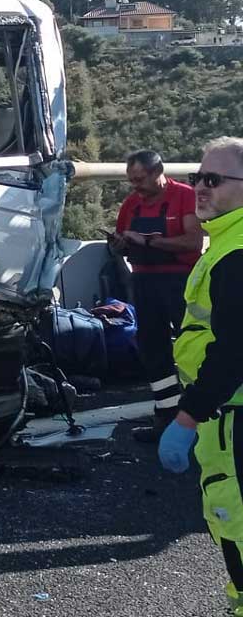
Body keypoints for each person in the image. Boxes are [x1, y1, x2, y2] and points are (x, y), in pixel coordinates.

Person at [159, 137, 243, 617]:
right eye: (198, 177)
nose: (200, 188)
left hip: (233, 418)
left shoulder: (237, 254)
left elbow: (235, 350)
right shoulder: (227, 242)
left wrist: (187, 417)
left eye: (214, 179)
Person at [109, 149, 203, 441]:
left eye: (140, 179)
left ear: (157, 172)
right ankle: (166, 418)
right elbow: (123, 241)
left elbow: (193, 242)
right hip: (144, 282)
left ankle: (201, 417)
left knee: (192, 347)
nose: (135, 186)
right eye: (131, 180)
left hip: (180, 282)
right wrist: (120, 244)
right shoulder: (131, 204)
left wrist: (149, 241)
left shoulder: (185, 196)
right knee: (152, 348)